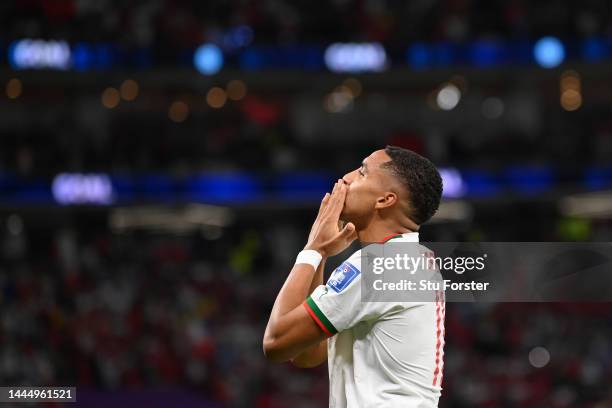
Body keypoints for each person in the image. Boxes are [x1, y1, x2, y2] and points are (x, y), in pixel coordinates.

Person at [263, 146, 444, 407]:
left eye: (361, 172)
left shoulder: (383, 265)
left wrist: (311, 250)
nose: (346, 178)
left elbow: (276, 342)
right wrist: (322, 254)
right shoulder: (406, 259)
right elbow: (306, 353)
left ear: (385, 200)